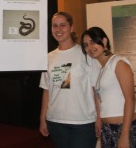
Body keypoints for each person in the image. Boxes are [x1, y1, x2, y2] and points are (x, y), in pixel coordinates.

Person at [39, 12, 100, 148]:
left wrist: (99, 118)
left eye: (63, 25)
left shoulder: (85, 54)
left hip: (83, 122)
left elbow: (96, 90)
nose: (58, 29)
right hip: (55, 121)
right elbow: (47, 90)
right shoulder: (48, 58)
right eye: (54, 26)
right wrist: (42, 119)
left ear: (71, 28)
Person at [81, 26, 136, 148]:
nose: (89, 47)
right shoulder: (102, 68)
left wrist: (125, 135)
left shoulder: (118, 62)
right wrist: (99, 119)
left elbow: (130, 99)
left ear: (104, 41)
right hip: (108, 130)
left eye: (93, 42)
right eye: (86, 45)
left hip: (124, 128)